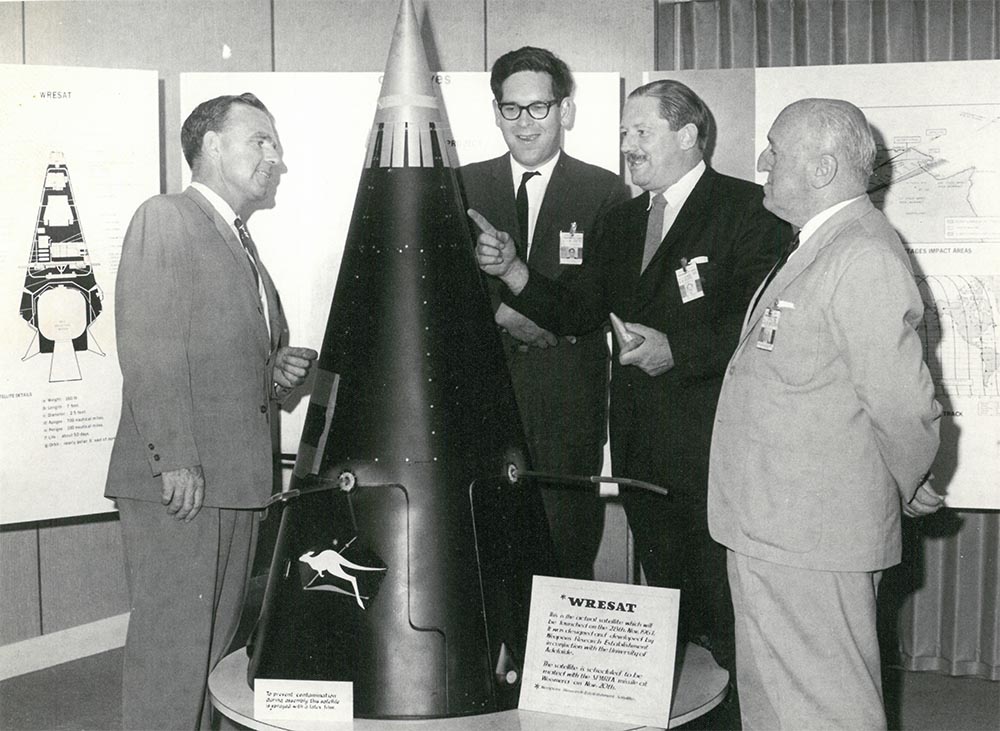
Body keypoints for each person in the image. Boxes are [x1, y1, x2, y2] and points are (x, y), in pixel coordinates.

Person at [474, 79, 788, 723]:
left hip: (716, 448)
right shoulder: (621, 220)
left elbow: (764, 320)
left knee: (722, 615)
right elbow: (579, 311)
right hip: (644, 453)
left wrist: (679, 347)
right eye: (623, 133)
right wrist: (513, 272)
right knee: (670, 599)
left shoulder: (747, 209)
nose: (626, 146)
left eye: (641, 132)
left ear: (689, 136)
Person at [708, 98, 943, 729]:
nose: (762, 162)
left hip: (810, 534)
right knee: (779, 705)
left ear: (823, 168)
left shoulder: (860, 255)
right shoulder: (823, 245)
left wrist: (908, 479)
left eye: (775, 150)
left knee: (823, 708)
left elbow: (903, 405)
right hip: (776, 527)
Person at [105, 93, 317, 730]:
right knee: (172, 656)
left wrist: (274, 370)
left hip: (234, 484)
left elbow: (221, 361)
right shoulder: (166, 217)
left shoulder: (241, 243)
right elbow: (148, 346)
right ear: (211, 145)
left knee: (212, 657)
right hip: (184, 483)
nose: (275, 158)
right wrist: (176, 460)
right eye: (261, 141)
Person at [459, 47, 629, 580]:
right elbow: (442, 285)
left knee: (562, 549)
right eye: (512, 109)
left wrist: (515, 280)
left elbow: (592, 300)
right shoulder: (463, 184)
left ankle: (551, 664)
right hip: (481, 399)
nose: (525, 123)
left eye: (539, 108)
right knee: (482, 551)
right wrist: (503, 314)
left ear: (565, 111)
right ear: (495, 113)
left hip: (564, 405)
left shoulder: (603, 190)